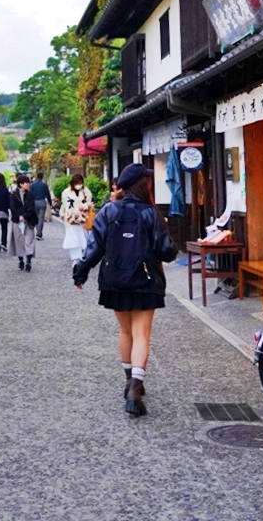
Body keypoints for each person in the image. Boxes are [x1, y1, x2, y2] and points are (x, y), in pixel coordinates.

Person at [73, 163, 175, 416]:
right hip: (146, 279)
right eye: (148, 180)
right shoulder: (151, 213)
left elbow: (94, 247)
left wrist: (81, 272)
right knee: (141, 334)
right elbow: (167, 251)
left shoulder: (108, 211)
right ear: (143, 184)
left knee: (125, 330)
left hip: (115, 279)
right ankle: (135, 389)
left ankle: (129, 380)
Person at [60, 174, 94, 265]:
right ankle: (75, 258)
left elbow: (90, 202)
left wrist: (85, 207)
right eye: (77, 183)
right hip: (71, 219)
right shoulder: (66, 192)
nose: (79, 185)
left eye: (80, 183)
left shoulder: (86, 191)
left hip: (83, 219)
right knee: (73, 239)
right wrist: (74, 212)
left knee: (83, 238)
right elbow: (66, 205)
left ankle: (82, 256)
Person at [9, 174, 39, 271]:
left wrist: (25, 216)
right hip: (17, 221)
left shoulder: (30, 194)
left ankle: (29, 261)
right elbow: (12, 208)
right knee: (19, 241)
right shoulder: (13, 194)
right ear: (20, 184)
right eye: (26, 183)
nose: (28, 184)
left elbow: (31, 208)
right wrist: (20, 216)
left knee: (29, 241)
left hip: (29, 221)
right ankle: (21, 260)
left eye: (28, 182)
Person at [30, 172, 52, 240]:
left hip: (34, 202)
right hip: (42, 201)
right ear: (42, 176)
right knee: (41, 218)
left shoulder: (32, 185)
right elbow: (48, 194)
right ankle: (39, 234)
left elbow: (30, 194)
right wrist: (50, 203)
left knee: (36, 218)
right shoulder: (44, 185)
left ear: (36, 176)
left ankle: (38, 231)